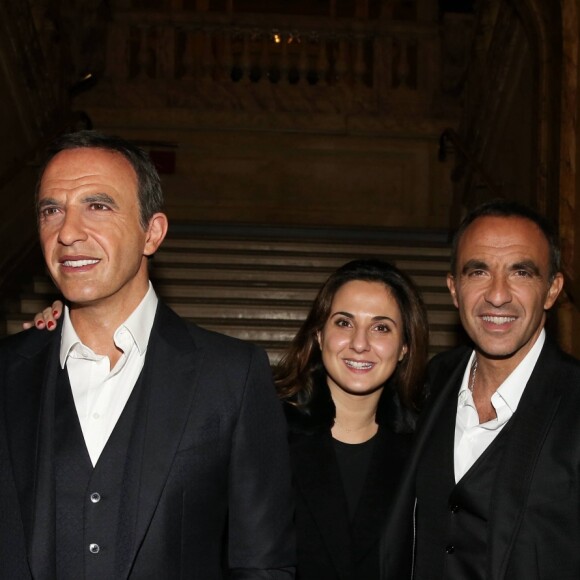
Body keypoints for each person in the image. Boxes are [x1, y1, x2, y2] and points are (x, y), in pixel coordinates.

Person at [1, 130, 295, 579]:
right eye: (51, 210)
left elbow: (262, 565)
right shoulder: (8, 371)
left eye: (97, 206)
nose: (68, 232)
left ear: (151, 233)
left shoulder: (231, 378)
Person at [380, 199, 580, 580]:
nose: (498, 295)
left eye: (521, 273)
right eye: (478, 272)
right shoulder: (431, 381)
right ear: (455, 290)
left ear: (552, 290)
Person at [275, 259, 429, 579]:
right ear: (319, 335)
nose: (360, 344)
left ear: (404, 347)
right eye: (344, 323)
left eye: (381, 327)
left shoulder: (426, 448)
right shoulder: (266, 430)